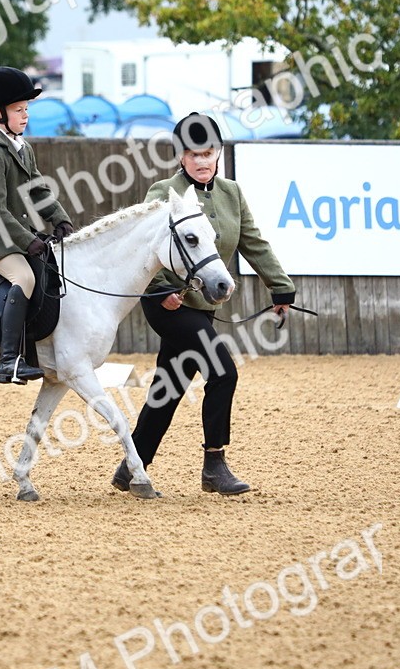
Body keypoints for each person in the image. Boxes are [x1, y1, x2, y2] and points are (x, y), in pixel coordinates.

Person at [112, 112, 294, 495]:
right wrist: (162, 290)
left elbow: (253, 242)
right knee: (224, 372)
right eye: (193, 154)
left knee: (170, 386)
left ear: (219, 153)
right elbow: (144, 248)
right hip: (167, 304)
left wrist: (280, 288)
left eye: (209, 152)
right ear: (181, 157)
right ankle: (214, 465)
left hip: (204, 306)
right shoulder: (164, 193)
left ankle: (132, 465)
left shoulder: (231, 194)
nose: (202, 161)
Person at [0, 66, 74, 384]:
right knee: (23, 277)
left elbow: (37, 189)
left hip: (10, 234)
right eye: (18, 109)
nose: (25, 115)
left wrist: (60, 218)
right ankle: (8, 361)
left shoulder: (22, 148)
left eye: (26, 109)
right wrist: (27, 241)